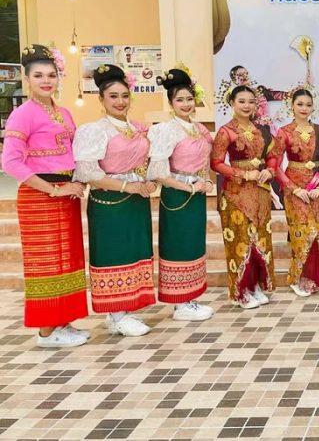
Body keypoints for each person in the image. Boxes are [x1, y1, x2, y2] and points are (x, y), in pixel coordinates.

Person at [1, 44, 88, 347]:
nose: (46, 81)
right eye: (38, 75)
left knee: (67, 259)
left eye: (51, 75)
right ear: (27, 79)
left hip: (66, 194)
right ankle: (46, 332)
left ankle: (62, 321)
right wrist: (54, 189)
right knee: (47, 262)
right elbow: (11, 162)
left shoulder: (63, 112)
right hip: (40, 196)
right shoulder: (22, 114)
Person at [73, 64, 157, 336]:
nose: (120, 101)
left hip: (136, 200)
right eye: (113, 96)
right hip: (110, 202)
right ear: (101, 99)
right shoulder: (95, 130)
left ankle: (123, 309)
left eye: (124, 95)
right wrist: (126, 186)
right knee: (113, 252)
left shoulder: (138, 128)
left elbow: (148, 162)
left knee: (135, 250)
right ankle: (117, 312)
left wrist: (149, 180)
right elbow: (88, 172)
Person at [147, 66, 214, 321]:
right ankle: (179, 303)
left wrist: (204, 181)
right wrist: (190, 187)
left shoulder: (197, 128)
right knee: (178, 243)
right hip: (178, 194)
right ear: (171, 103)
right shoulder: (166, 130)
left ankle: (190, 298)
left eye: (189, 98)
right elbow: (158, 172)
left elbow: (204, 160)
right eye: (180, 100)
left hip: (196, 194)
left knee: (193, 243)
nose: (186, 104)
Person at [211, 85, 277, 309]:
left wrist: (270, 170)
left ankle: (256, 285)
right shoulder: (225, 131)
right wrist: (243, 174)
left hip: (260, 192)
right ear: (232, 103)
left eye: (251, 101)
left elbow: (272, 155)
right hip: (235, 194)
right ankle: (241, 291)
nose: (247, 106)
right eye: (242, 101)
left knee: (259, 241)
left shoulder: (262, 129)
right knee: (240, 241)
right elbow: (216, 163)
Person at [272, 88, 319, 297]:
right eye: (300, 104)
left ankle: (314, 276)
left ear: (313, 107)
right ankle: (296, 278)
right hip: (295, 188)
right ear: (292, 106)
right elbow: (275, 165)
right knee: (300, 232)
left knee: (317, 231)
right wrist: (294, 189)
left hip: (317, 190)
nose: (304, 108)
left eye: (308, 105)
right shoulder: (284, 132)